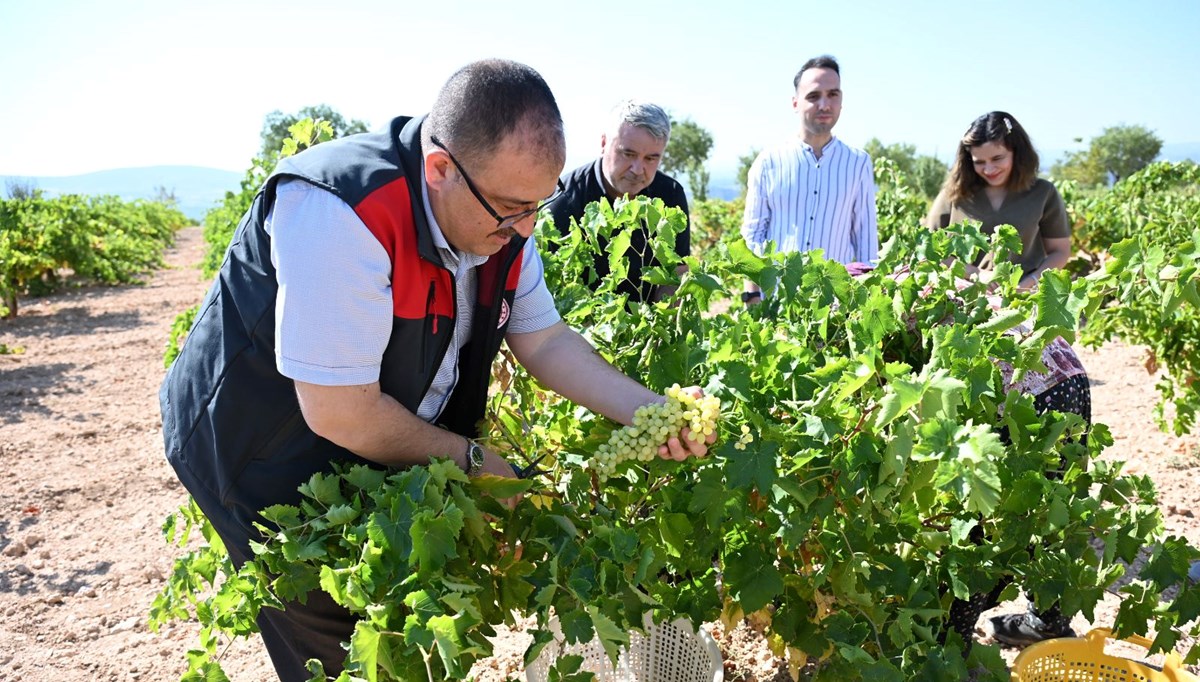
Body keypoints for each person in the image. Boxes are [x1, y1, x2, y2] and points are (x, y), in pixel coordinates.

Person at [158, 59, 713, 681]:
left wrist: (649, 410)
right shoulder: (341, 211)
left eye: (538, 205)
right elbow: (341, 409)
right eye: (509, 209)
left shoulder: (501, 217)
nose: (526, 228)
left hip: (358, 425)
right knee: (332, 622)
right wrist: (474, 462)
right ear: (441, 169)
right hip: (255, 446)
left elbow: (548, 341)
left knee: (392, 616)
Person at [740, 54, 878, 305]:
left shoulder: (858, 163)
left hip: (835, 314)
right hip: (776, 308)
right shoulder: (768, 162)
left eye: (833, 95)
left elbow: (865, 243)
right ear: (795, 103)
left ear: (841, 101)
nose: (824, 105)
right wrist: (752, 298)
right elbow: (752, 238)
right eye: (813, 96)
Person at [547, 99, 690, 303]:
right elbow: (554, 289)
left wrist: (660, 322)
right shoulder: (564, 200)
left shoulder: (671, 195)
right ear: (604, 144)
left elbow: (676, 272)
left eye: (651, 159)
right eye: (628, 154)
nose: (637, 169)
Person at [925, 111, 1071, 292]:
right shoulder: (953, 195)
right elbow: (930, 252)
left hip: (1023, 301)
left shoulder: (1043, 193)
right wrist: (975, 273)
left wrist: (1028, 283)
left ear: (1016, 153)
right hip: (962, 301)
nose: (988, 169)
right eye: (979, 162)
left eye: (997, 158)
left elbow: (1060, 251)